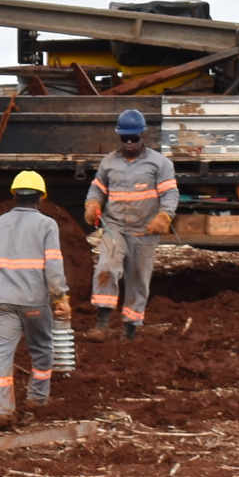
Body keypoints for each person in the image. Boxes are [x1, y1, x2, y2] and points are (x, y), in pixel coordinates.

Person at [0, 172, 71, 421]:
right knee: (41, 350)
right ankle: (37, 400)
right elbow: (53, 267)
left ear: (14, 195)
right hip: (34, 302)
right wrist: (60, 297)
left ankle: (0, 409)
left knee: (0, 353)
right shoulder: (47, 225)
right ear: (41, 198)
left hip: (2, 303)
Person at [83, 108, 178, 339]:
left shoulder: (159, 163)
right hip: (114, 227)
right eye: (125, 138)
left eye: (133, 138)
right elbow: (97, 188)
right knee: (106, 268)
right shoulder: (109, 162)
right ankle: (102, 324)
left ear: (142, 135)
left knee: (138, 279)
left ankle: (130, 329)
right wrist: (92, 203)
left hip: (144, 231)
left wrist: (165, 216)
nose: (129, 142)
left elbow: (170, 194)